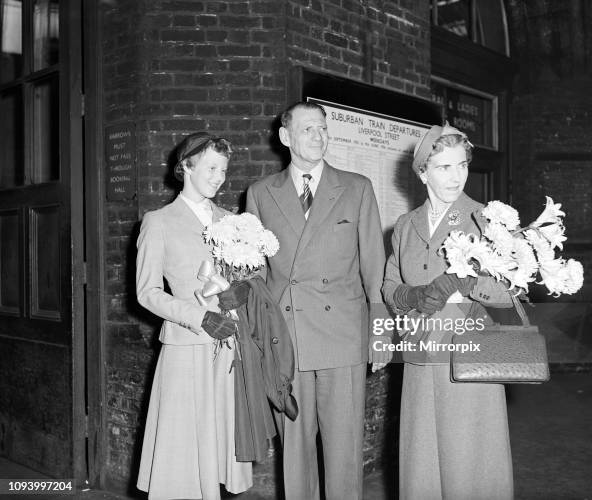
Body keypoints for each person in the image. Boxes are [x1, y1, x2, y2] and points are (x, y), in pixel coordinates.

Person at [245, 101, 392, 500]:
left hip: (343, 334)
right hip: (287, 338)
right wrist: (256, 337)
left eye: (323, 128)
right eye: (308, 129)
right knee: (295, 449)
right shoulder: (260, 194)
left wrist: (380, 333)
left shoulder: (356, 187)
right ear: (285, 137)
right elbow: (255, 275)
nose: (318, 136)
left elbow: (374, 267)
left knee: (344, 448)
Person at [382, 123, 514, 500]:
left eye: (462, 165)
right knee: (423, 468)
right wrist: (416, 295)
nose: (456, 176)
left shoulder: (486, 219)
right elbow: (388, 288)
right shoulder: (405, 227)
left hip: (468, 357)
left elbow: (510, 293)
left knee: (469, 467)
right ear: (423, 172)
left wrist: (465, 283)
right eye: (444, 167)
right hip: (421, 359)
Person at [136, 132, 253, 500]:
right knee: (183, 455)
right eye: (211, 168)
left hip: (229, 346)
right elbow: (147, 293)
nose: (220, 177)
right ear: (186, 166)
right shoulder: (159, 221)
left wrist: (245, 289)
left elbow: (247, 275)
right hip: (188, 346)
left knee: (218, 451)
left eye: (224, 169)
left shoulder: (231, 220)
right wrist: (199, 318)